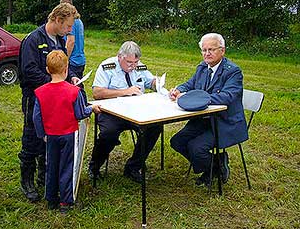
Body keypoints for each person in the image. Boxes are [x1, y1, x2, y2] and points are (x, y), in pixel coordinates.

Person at [18, 2, 79, 203]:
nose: (70, 31)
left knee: (50, 138)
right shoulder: (33, 40)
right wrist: (55, 85)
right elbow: (29, 72)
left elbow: (61, 66)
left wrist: (71, 78)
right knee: (32, 138)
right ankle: (26, 181)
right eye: (68, 26)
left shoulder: (59, 40)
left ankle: (45, 177)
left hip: (55, 101)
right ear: (58, 20)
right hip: (35, 99)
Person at [169, 33, 247, 187]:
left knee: (196, 148)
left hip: (223, 122)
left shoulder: (233, 71)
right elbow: (190, 84)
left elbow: (227, 96)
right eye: (204, 50)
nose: (207, 54)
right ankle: (215, 166)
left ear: (222, 51)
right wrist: (178, 90)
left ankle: (211, 169)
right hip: (202, 119)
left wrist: (196, 99)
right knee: (177, 141)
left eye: (211, 49)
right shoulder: (203, 67)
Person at [33, 50, 100, 213]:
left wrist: (42, 135)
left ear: (47, 69)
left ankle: (51, 198)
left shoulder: (40, 92)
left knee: (52, 165)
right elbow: (79, 113)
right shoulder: (73, 91)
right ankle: (66, 201)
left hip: (50, 135)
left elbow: (36, 117)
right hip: (69, 134)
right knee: (68, 167)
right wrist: (91, 108)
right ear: (66, 69)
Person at [88, 41, 163, 183]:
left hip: (136, 111)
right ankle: (95, 166)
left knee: (154, 126)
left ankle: (133, 167)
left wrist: (157, 83)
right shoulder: (107, 67)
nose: (132, 66)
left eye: (135, 62)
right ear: (119, 57)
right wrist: (125, 92)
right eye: (129, 62)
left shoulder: (138, 66)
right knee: (108, 133)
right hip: (112, 113)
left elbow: (150, 82)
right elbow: (97, 92)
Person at [59, 0, 87, 103]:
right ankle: (83, 105)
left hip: (73, 60)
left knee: (74, 87)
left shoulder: (71, 21)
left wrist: (64, 59)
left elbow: (71, 41)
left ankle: (81, 107)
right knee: (78, 84)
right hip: (80, 59)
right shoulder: (79, 21)